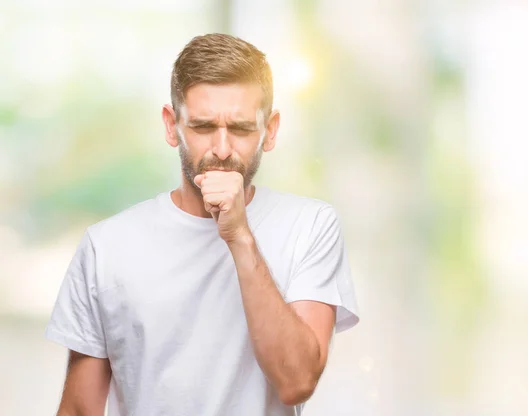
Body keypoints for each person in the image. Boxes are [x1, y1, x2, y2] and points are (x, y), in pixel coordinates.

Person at [45, 33, 359, 416]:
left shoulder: (310, 225)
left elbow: (297, 382)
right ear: (170, 125)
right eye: (204, 126)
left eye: (241, 129)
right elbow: (79, 409)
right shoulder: (106, 246)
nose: (222, 150)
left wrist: (240, 236)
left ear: (270, 130)